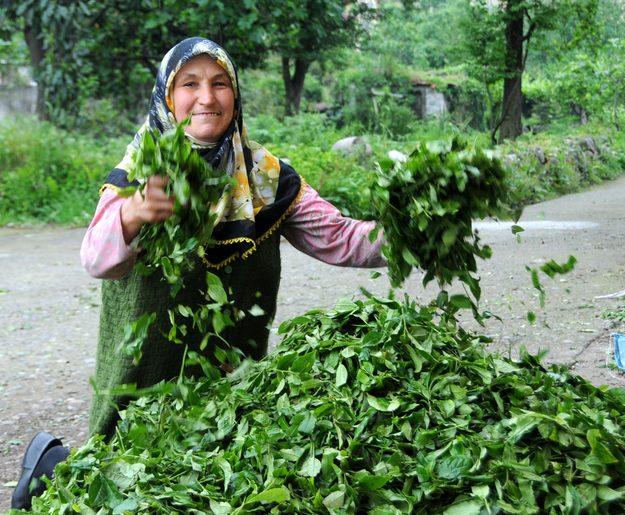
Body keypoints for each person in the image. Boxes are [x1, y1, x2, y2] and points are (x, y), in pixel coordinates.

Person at [12, 36, 384, 509]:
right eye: (190, 84)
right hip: (144, 379)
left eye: (220, 83)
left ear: (235, 94)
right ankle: (49, 466)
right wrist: (135, 213)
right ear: (169, 97)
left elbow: (341, 238)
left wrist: (411, 233)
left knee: (222, 487)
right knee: (124, 487)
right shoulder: (144, 170)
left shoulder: (266, 177)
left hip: (236, 380)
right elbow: (96, 259)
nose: (207, 98)